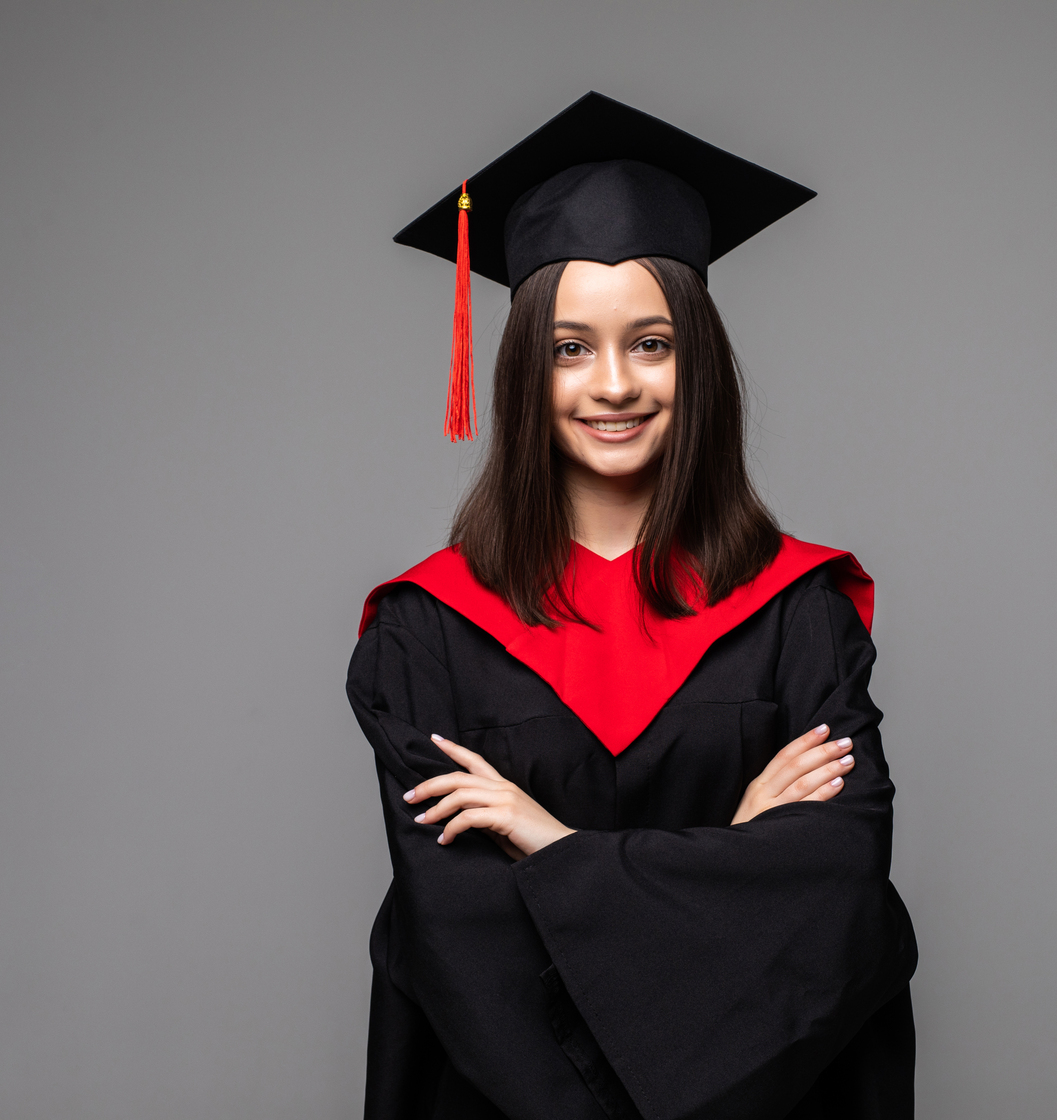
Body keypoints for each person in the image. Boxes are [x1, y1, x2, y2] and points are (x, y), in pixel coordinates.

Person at [347, 92, 918, 1120]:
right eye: (572, 348)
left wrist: (549, 846)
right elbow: (460, 935)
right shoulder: (425, 632)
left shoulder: (799, 614)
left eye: (649, 342)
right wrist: (736, 854)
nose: (614, 384)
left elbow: (837, 898)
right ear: (526, 369)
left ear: (695, 359)